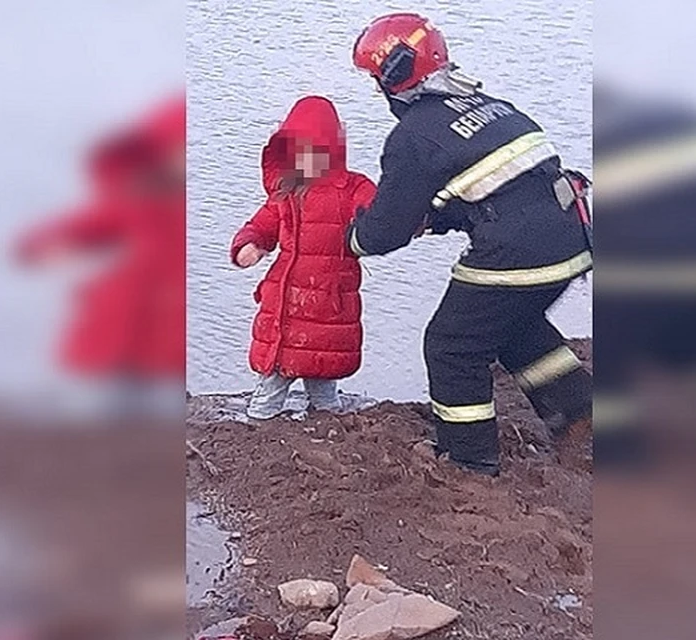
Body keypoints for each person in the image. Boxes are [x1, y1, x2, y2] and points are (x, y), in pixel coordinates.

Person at [347, 13, 593, 475]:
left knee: (452, 346)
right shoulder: (491, 106)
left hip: (518, 253)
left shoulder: (412, 136)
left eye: (374, 79)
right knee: (514, 327)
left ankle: (468, 460)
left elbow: (384, 233)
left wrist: (351, 240)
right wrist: (436, 219)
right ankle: (581, 419)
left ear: (392, 76)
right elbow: (493, 185)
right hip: (571, 237)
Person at [14, 94, 186, 418]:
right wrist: (41, 245)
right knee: (115, 394)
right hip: (127, 321)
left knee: (162, 393)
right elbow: (87, 225)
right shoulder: (133, 199)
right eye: (177, 148)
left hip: (170, 328)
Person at [230, 96, 377, 419]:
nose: (304, 158)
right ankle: (261, 419)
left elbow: (379, 216)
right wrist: (251, 244)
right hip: (285, 299)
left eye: (313, 149)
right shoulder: (288, 190)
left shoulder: (353, 188)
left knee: (322, 370)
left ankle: (326, 419)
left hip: (328, 299)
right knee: (276, 371)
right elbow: (263, 222)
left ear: (331, 150)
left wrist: (402, 221)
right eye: (295, 150)